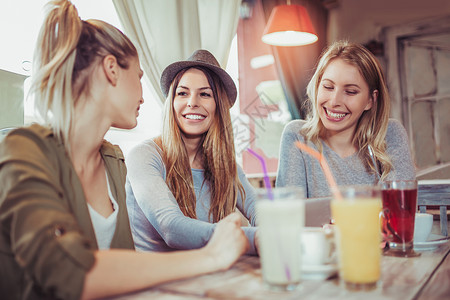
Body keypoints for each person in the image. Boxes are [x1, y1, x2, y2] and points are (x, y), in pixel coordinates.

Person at [0, 1, 248, 299]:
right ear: (112, 70)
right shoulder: (22, 150)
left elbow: (121, 266)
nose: (145, 95)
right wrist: (212, 256)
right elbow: (66, 272)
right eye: (140, 77)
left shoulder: (112, 160)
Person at [126, 49, 258, 254]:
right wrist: (255, 238)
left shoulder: (227, 167)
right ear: (172, 102)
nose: (192, 102)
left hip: (205, 273)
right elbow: (171, 227)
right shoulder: (144, 156)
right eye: (182, 93)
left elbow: (259, 210)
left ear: (218, 108)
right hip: (155, 281)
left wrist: (279, 230)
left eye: (204, 94)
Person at [276, 41, 416, 198]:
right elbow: (290, 213)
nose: (334, 101)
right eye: (328, 87)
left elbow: (399, 208)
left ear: (370, 100)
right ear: (317, 87)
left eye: (350, 92)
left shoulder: (389, 134)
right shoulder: (297, 136)